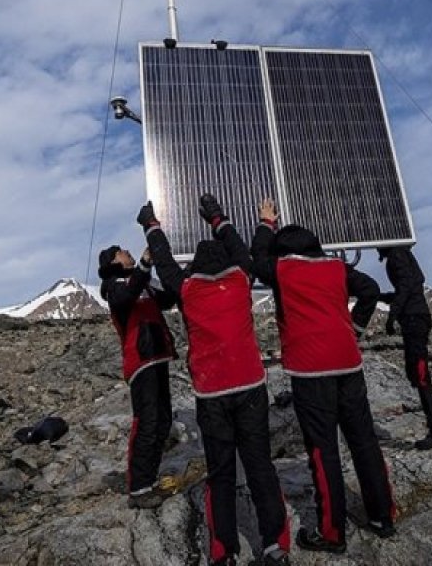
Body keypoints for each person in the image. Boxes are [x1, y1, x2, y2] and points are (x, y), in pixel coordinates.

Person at [144, 195, 291, 566]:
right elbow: (242, 250)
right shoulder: (241, 279)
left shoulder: (188, 290)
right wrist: (217, 217)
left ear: (194, 267)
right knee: (260, 467)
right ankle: (276, 546)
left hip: (211, 395)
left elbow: (163, 264)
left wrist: (152, 227)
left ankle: (223, 552)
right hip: (251, 388)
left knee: (221, 472)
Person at [251, 197, 397, 554]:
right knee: (363, 439)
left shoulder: (283, 270)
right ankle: (382, 515)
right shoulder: (336, 268)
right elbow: (371, 291)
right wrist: (357, 328)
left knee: (323, 450)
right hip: (348, 364)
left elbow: (258, 259)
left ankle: (332, 532)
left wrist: (267, 223)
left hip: (310, 371)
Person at [98, 242, 177, 509]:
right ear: (113, 261)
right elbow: (124, 299)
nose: (127, 252)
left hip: (158, 356)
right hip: (140, 360)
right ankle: (139, 487)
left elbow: (167, 299)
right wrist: (143, 266)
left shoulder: (143, 283)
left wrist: (169, 270)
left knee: (163, 420)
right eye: (121, 251)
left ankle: (151, 479)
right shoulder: (114, 285)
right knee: (147, 421)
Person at [378, 245, 432, 450]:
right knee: (418, 375)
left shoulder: (396, 256)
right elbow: (409, 288)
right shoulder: (402, 254)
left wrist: (392, 315)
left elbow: (406, 286)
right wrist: (382, 297)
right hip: (416, 318)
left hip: (414, 320)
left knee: (420, 376)